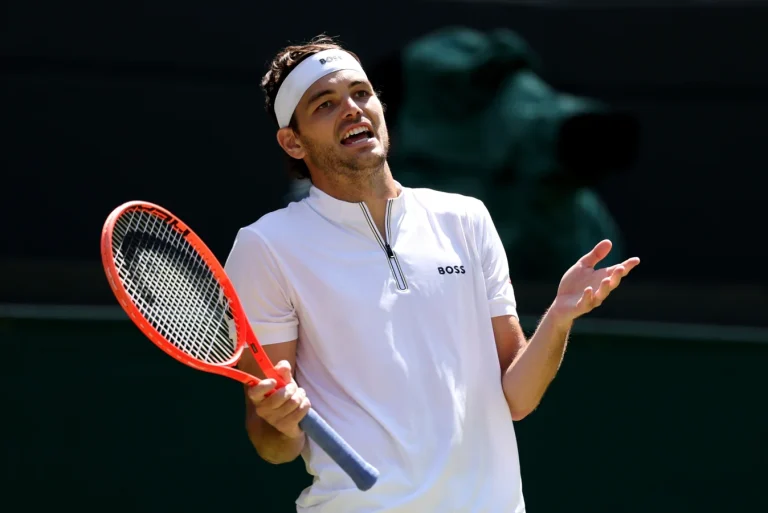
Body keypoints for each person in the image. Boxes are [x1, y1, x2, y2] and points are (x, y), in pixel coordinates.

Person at [224, 35, 640, 513]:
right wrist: (279, 420)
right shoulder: (266, 246)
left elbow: (517, 398)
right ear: (293, 141)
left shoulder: (466, 218)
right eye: (325, 104)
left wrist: (560, 317)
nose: (353, 109)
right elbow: (274, 446)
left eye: (361, 93)